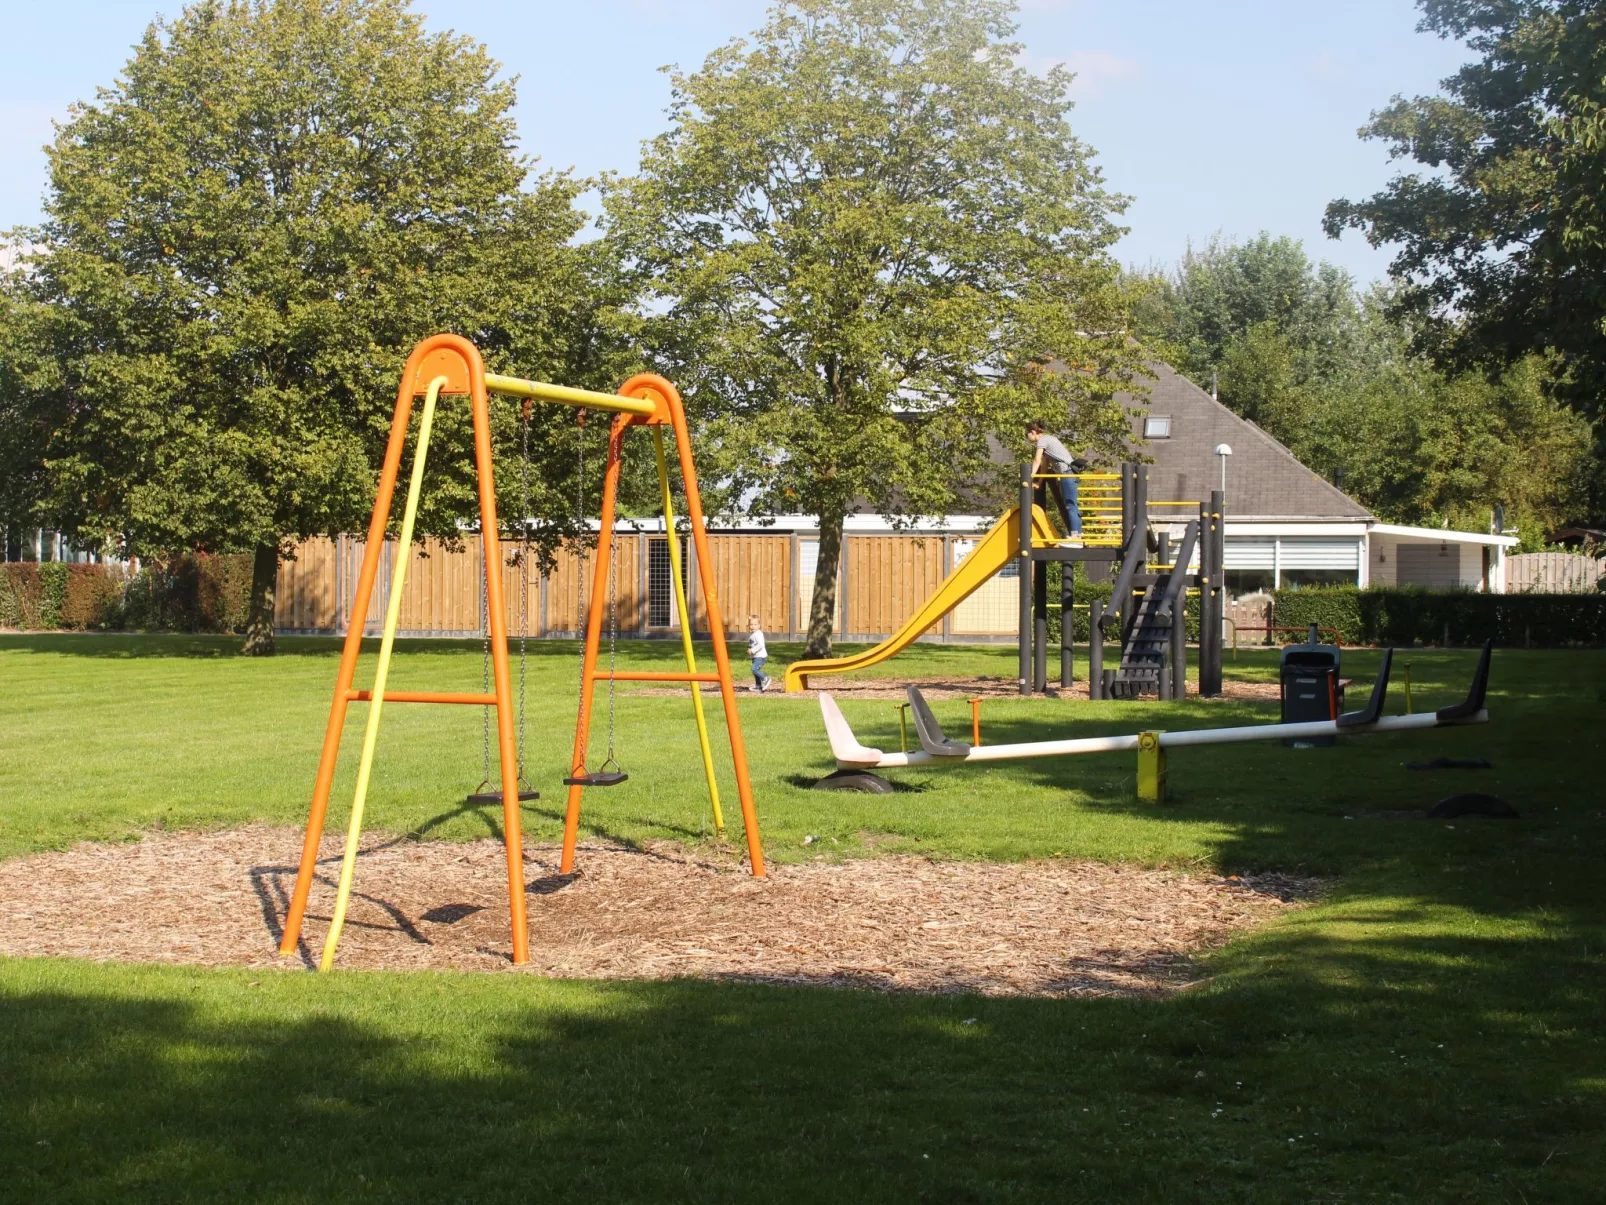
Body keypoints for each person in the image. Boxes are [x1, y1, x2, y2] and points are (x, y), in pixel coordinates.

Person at [1026, 420, 1084, 541]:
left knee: (1070, 505)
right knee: (1071, 504)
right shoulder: (1049, 441)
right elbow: (1044, 466)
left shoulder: (1042, 440)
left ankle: (1075, 535)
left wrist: (1029, 475)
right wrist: (1039, 482)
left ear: (1032, 432)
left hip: (1067, 473)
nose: (1027, 438)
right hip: (1068, 474)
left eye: (1027, 435)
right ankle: (1078, 533)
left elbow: (1037, 460)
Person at [747, 615, 771, 692]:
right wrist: (750, 650)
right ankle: (758, 685)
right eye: (751, 624)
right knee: (755, 671)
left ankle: (765, 678)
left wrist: (752, 650)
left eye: (755, 624)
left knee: (754, 669)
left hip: (760, 657)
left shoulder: (758, 634)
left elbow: (761, 645)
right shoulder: (753, 634)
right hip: (756, 656)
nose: (753, 626)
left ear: (759, 625)